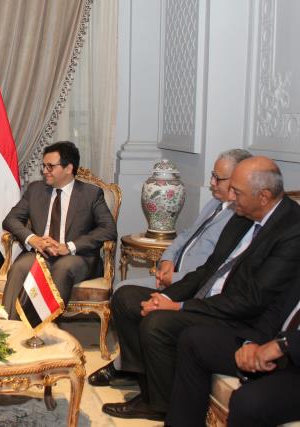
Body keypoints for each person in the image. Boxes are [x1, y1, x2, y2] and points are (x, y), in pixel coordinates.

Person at [101, 156, 300, 421]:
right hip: (209, 296)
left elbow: (251, 300)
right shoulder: (243, 215)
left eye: (237, 192)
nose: (231, 197)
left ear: (263, 196)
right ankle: (149, 391)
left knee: (157, 323)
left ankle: (161, 405)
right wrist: (164, 296)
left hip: (235, 314)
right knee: (126, 297)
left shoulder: (291, 230)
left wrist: (178, 306)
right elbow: (209, 269)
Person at [89, 148, 251, 387]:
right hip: (173, 273)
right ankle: (133, 367)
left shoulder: (242, 218)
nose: (211, 183)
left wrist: (174, 279)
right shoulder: (216, 203)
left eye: (218, 178)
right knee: (123, 289)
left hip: (190, 285)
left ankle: (128, 367)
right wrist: (167, 260)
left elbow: (214, 270)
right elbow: (186, 234)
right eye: (212, 175)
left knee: (126, 293)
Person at [1, 141, 117, 319]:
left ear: (68, 168)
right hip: (40, 253)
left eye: (50, 166)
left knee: (63, 267)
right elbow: (10, 219)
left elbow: (108, 229)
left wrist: (69, 247)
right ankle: (8, 329)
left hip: (77, 257)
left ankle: (40, 327)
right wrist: (33, 239)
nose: (45, 171)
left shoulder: (91, 194)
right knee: (19, 267)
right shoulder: (35, 190)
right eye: (43, 166)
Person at [167, 277, 300, 426]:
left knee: (247, 401)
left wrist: (284, 344)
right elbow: (275, 311)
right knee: (193, 340)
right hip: (274, 346)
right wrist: (251, 343)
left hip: (293, 361)